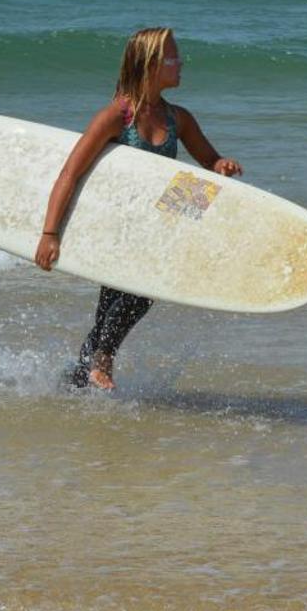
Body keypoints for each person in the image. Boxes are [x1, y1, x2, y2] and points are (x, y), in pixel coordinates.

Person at [35, 27, 242, 390]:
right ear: (150, 65)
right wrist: (50, 233)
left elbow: (209, 162)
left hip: (158, 224)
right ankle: (101, 361)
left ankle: (77, 380)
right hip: (118, 225)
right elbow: (71, 171)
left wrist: (221, 165)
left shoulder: (180, 119)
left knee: (112, 310)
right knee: (140, 293)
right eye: (174, 57)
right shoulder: (118, 115)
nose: (182, 63)